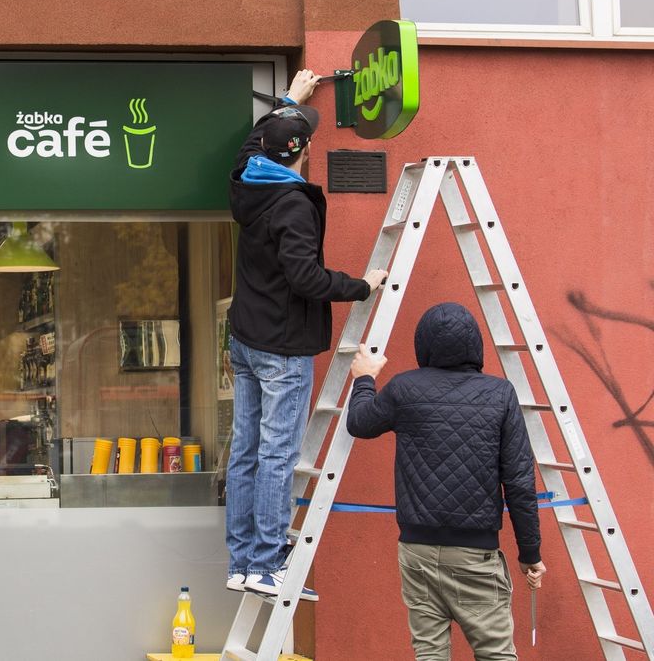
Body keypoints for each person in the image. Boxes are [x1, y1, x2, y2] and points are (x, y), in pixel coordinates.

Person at [225, 69, 388, 598]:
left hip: (247, 340)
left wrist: (286, 100)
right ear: (303, 151)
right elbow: (306, 278)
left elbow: (253, 143)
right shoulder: (292, 204)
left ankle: (243, 562)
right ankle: (267, 564)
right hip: (280, 347)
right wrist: (362, 286)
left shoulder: (249, 177)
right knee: (275, 453)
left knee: (247, 450)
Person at [346, 302, 547, 660]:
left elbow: (359, 422)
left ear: (423, 344)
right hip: (476, 554)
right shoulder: (500, 394)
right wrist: (529, 554)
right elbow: (518, 482)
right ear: (475, 345)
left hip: (416, 551)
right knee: (497, 654)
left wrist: (364, 377)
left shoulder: (404, 388)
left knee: (430, 654)